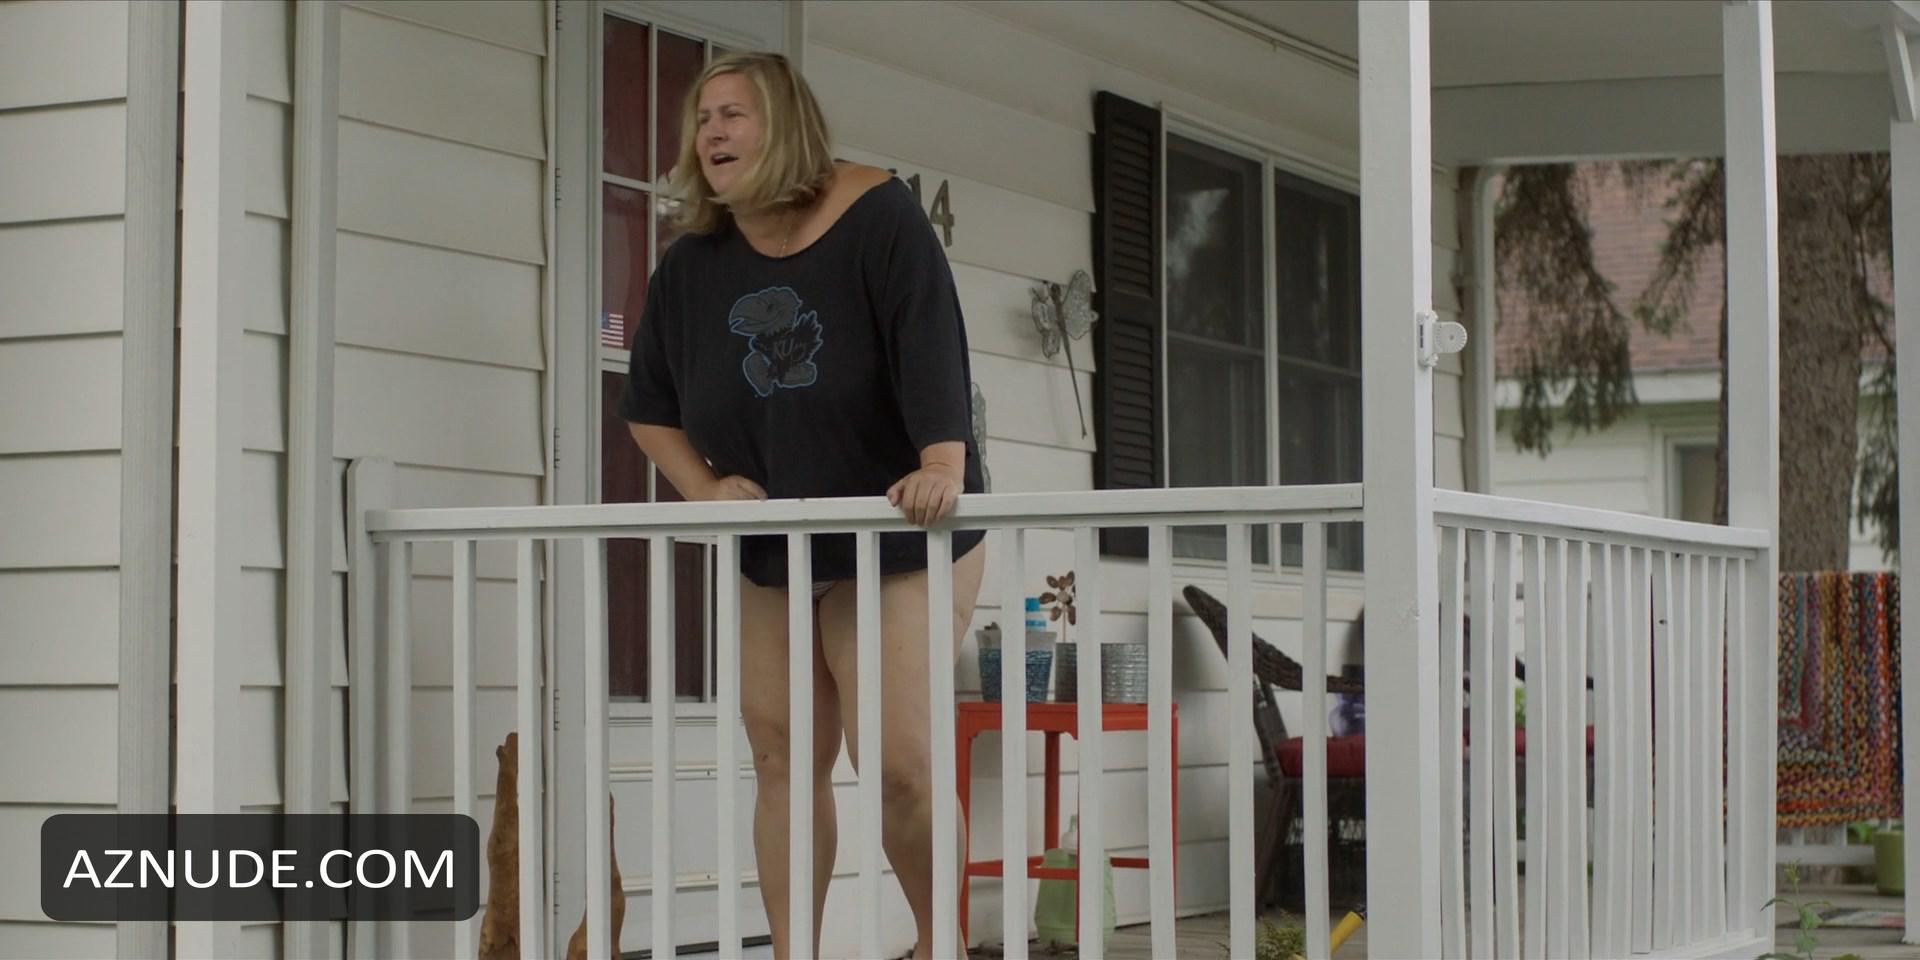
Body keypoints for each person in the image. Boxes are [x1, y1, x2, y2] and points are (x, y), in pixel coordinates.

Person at [618, 51, 988, 960]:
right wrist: (706, 490)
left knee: (897, 763)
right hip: (780, 542)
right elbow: (650, 409)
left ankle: (939, 945)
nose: (711, 132)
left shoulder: (879, 214)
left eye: (733, 114)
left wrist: (942, 462)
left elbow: (931, 343)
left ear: (783, 125)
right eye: (703, 118)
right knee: (782, 754)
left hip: (896, 530)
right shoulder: (690, 267)